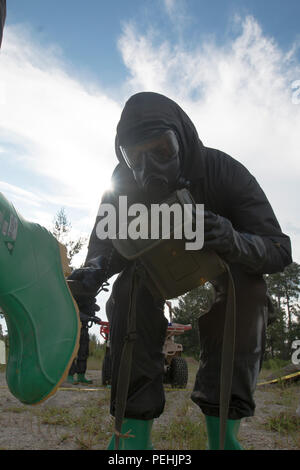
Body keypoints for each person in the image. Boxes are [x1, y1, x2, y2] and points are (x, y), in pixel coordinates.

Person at [69, 91, 292, 450]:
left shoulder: (223, 172)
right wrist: (93, 273)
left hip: (219, 263)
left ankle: (224, 436)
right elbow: (105, 246)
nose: (147, 170)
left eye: (162, 150)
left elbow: (280, 249)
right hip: (152, 268)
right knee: (129, 291)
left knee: (246, 290)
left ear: (182, 140)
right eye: (134, 157)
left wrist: (232, 239)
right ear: (122, 155)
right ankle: (132, 439)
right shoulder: (123, 184)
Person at [67, 311, 93, 385]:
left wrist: (91, 316)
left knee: (83, 352)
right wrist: (84, 316)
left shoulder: (88, 300)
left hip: (84, 328)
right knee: (72, 352)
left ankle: (81, 376)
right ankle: (70, 376)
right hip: (73, 326)